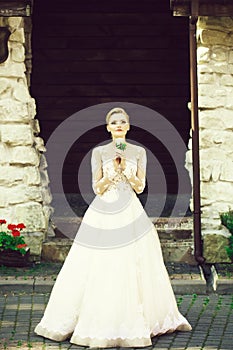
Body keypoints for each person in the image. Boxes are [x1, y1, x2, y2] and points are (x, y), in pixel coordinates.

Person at [34, 107, 192, 348]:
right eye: (114, 122)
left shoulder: (139, 152)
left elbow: (140, 187)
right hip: (104, 209)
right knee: (99, 261)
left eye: (123, 121)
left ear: (128, 127)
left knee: (135, 261)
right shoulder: (99, 152)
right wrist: (112, 171)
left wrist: (126, 169)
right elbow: (97, 187)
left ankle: (139, 319)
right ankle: (94, 318)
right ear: (108, 127)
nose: (118, 125)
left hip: (130, 207)